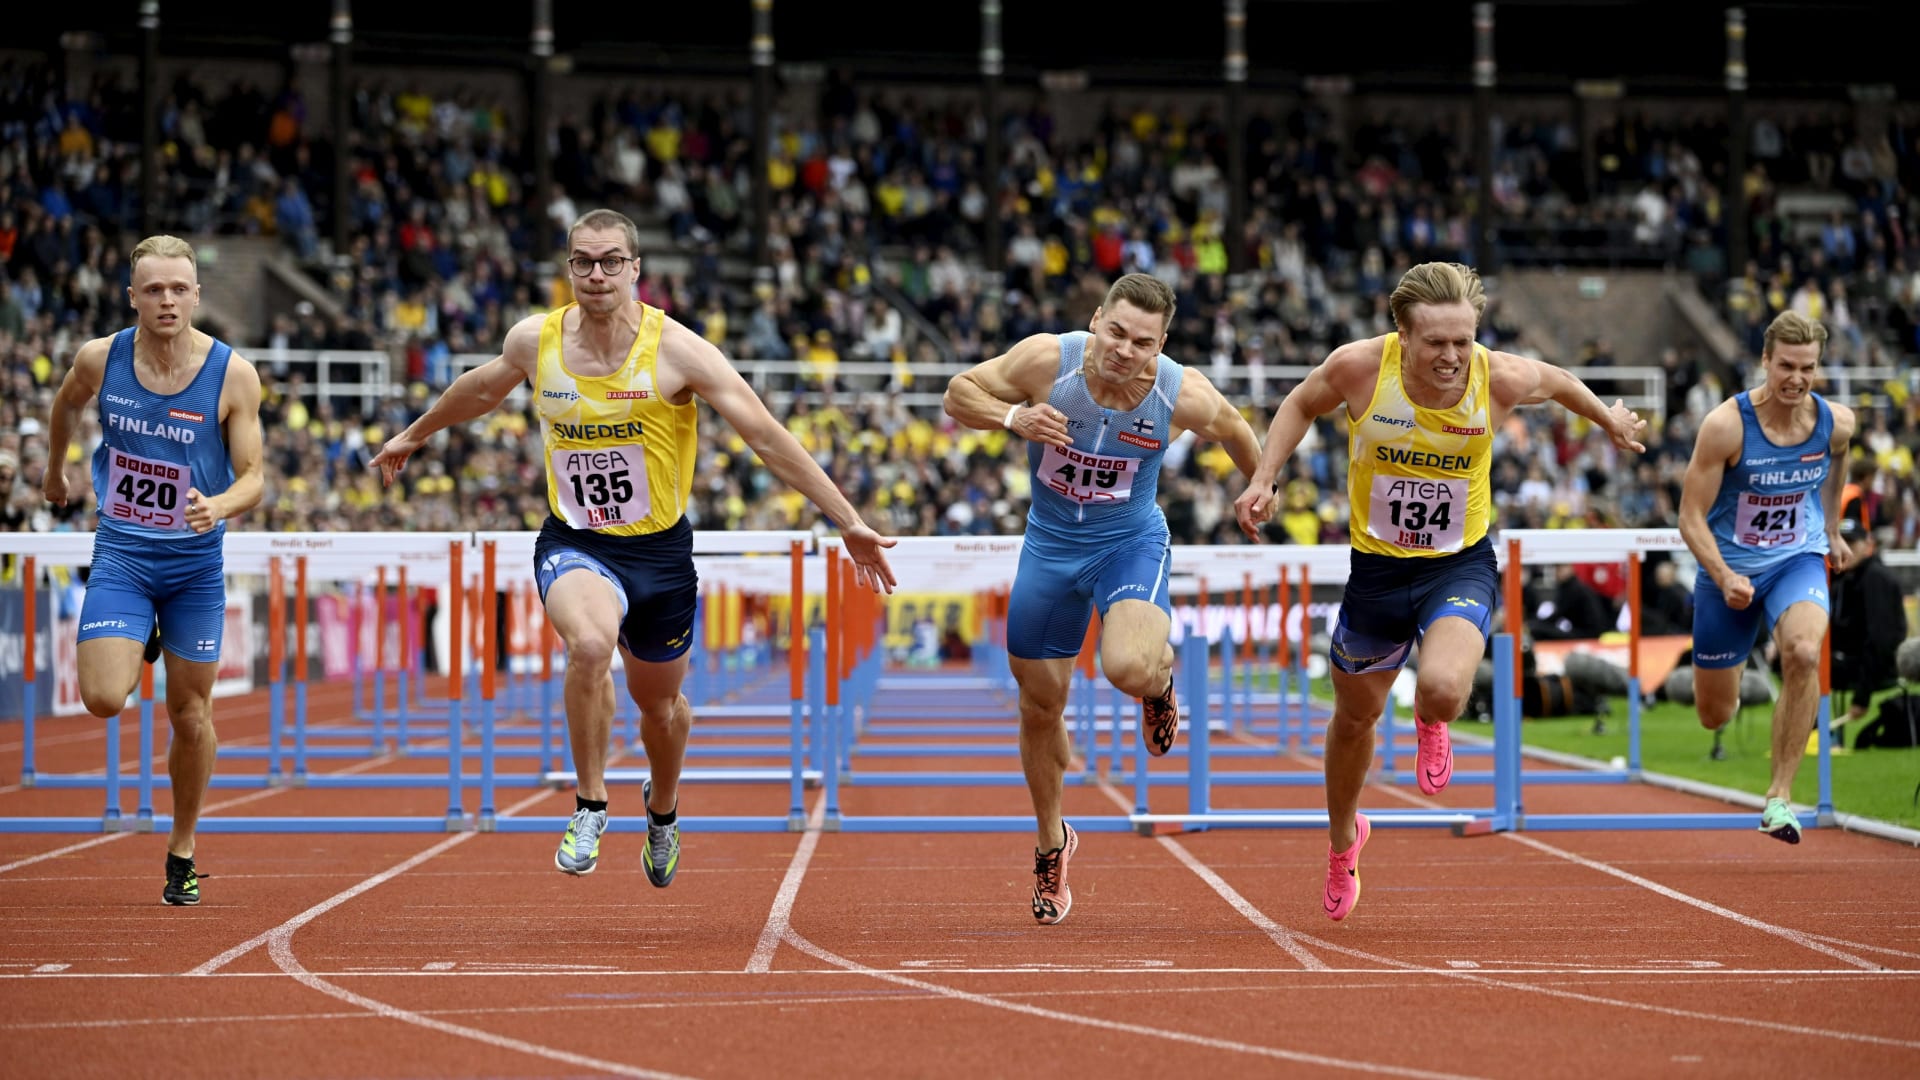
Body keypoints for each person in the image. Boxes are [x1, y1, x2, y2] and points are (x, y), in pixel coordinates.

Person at [370, 209, 897, 886]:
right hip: (576, 542)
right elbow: (480, 388)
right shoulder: (536, 341)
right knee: (589, 647)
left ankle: (664, 808)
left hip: (660, 558)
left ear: (636, 268)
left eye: (611, 261)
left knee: (661, 710)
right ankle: (591, 803)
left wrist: (845, 518)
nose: (596, 274)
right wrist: (416, 433)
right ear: (568, 269)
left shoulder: (678, 351)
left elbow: (764, 436)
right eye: (583, 261)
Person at [1230, 262, 1646, 921]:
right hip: (1377, 571)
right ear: (1403, 334)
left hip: (1458, 565)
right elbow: (1300, 404)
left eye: (1463, 340)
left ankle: (1431, 717)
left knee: (1445, 687)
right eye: (1436, 343)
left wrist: (1609, 421)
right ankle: (1344, 843)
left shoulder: (1496, 375)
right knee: (1355, 720)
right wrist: (1264, 478)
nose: (1452, 356)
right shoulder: (1361, 369)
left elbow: (1561, 382)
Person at [943, 272, 1262, 925]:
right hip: (1050, 549)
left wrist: (1262, 486)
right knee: (1040, 707)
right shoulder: (1047, 362)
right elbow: (957, 393)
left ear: (1161, 344)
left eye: (1142, 341)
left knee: (1126, 666)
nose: (1124, 349)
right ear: (1096, 320)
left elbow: (1233, 426)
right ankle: (1052, 841)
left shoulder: (1179, 393)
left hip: (1128, 544)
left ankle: (1158, 682)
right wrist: (1013, 417)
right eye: (1116, 331)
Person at [41, 234, 266, 906]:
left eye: (178, 288)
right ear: (132, 295)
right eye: (153, 289)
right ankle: (138, 633)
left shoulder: (232, 374)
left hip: (195, 565)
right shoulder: (99, 358)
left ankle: (183, 848)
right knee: (105, 698)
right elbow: (64, 405)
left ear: (196, 294)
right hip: (124, 553)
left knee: (189, 712)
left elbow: (254, 476)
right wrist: (56, 470)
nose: (166, 300)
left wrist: (219, 503)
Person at [1678, 311, 1855, 843]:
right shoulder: (1726, 425)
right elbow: (1689, 517)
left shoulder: (1835, 422)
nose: (1796, 379)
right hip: (1728, 573)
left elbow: (1839, 458)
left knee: (1803, 652)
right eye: (1786, 366)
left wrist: (1831, 527)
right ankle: (1726, 694)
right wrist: (1722, 573)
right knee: (1714, 713)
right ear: (1765, 361)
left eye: (1807, 368)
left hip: (1796, 559)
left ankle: (1779, 798)